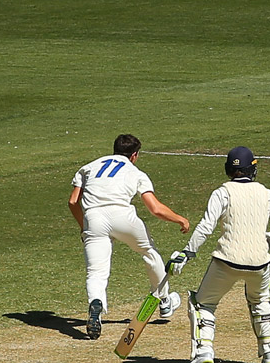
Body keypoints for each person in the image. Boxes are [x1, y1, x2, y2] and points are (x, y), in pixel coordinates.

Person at [169, 146, 270, 363]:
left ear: (228, 170)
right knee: (261, 302)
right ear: (252, 169)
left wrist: (187, 253)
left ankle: (204, 353)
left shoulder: (222, 192)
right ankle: (269, 353)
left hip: (226, 262)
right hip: (259, 264)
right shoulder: (265, 193)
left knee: (203, 304)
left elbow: (205, 227)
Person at [68, 134, 189, 340]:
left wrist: (84, 227)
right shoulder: (135, 172)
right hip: (123, 217)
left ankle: (96, 302)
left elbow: (73, 201)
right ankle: (165, 301)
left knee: (96, 272)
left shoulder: (89, 167)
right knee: (149, 252)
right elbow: (155, 209)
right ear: (134, 155)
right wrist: (180, 220)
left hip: (93, 219)